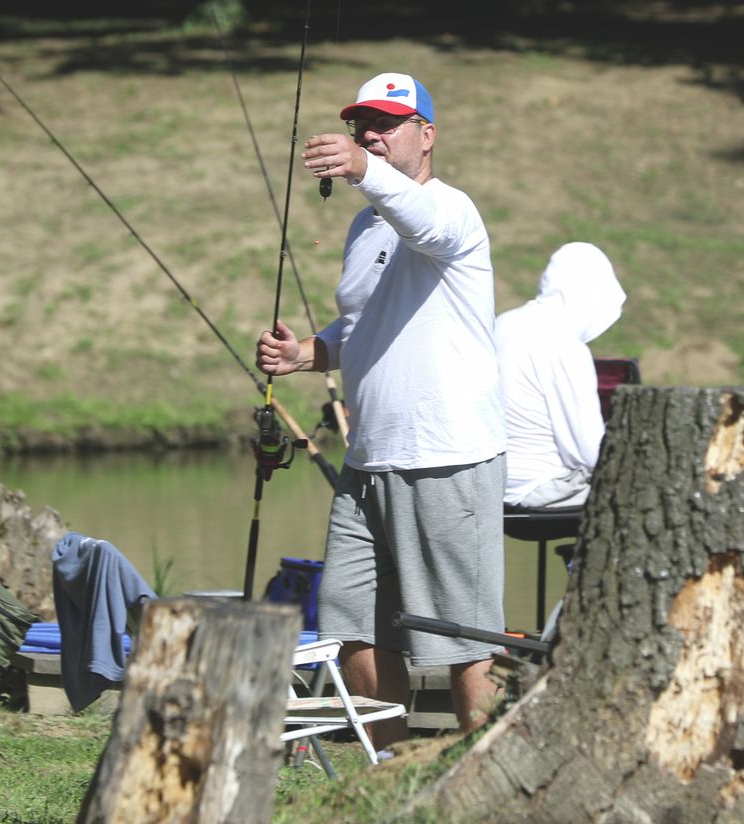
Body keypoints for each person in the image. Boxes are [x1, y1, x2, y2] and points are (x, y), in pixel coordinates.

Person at [256, 72, 506, 744]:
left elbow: (420, 222)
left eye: (388, 122)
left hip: (449, 456)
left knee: (465, 636)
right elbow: (364, 320)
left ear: (426, 136)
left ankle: (484, 774)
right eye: (364, 123)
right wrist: (309, 353)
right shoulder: (366, 226)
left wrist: (365, 168)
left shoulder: (452, 211)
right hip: (369, 461)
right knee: (353, 626)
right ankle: (386, 773)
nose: (371, 133)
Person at [495, 241, 626, 510]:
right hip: (541, 488)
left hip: (492, 484)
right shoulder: (564, 345)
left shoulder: (502, 323)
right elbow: (592, 454)